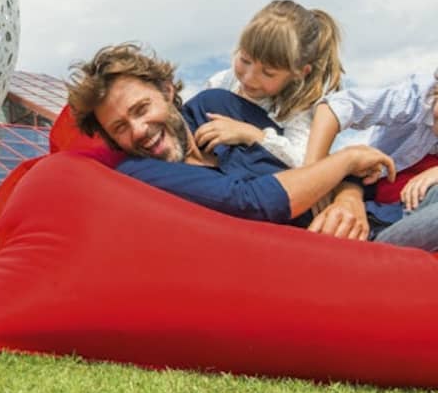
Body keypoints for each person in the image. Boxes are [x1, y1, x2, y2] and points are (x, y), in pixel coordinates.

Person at [67, 43, 438, 252]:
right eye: (120, 128)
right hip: (369, 245)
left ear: (166, 92)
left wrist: (348, 198)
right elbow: (254, 202)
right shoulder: (142, 172)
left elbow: (306, 158)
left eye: (141, 109)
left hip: (384, 213)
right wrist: (348, 159)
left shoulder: (216, 105)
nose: (139, 131)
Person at [201, 0, 343, 167]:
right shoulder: (222, 82)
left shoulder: (297, 109)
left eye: (268, 73)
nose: (249, 78)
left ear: (299, 73)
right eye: (245, 60)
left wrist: (252, 135)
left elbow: (302, 162)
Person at [306, 70, 438, 211]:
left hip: (407, 197)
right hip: (375, 183)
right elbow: (335, 107)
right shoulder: (412, 100)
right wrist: (313, 177)